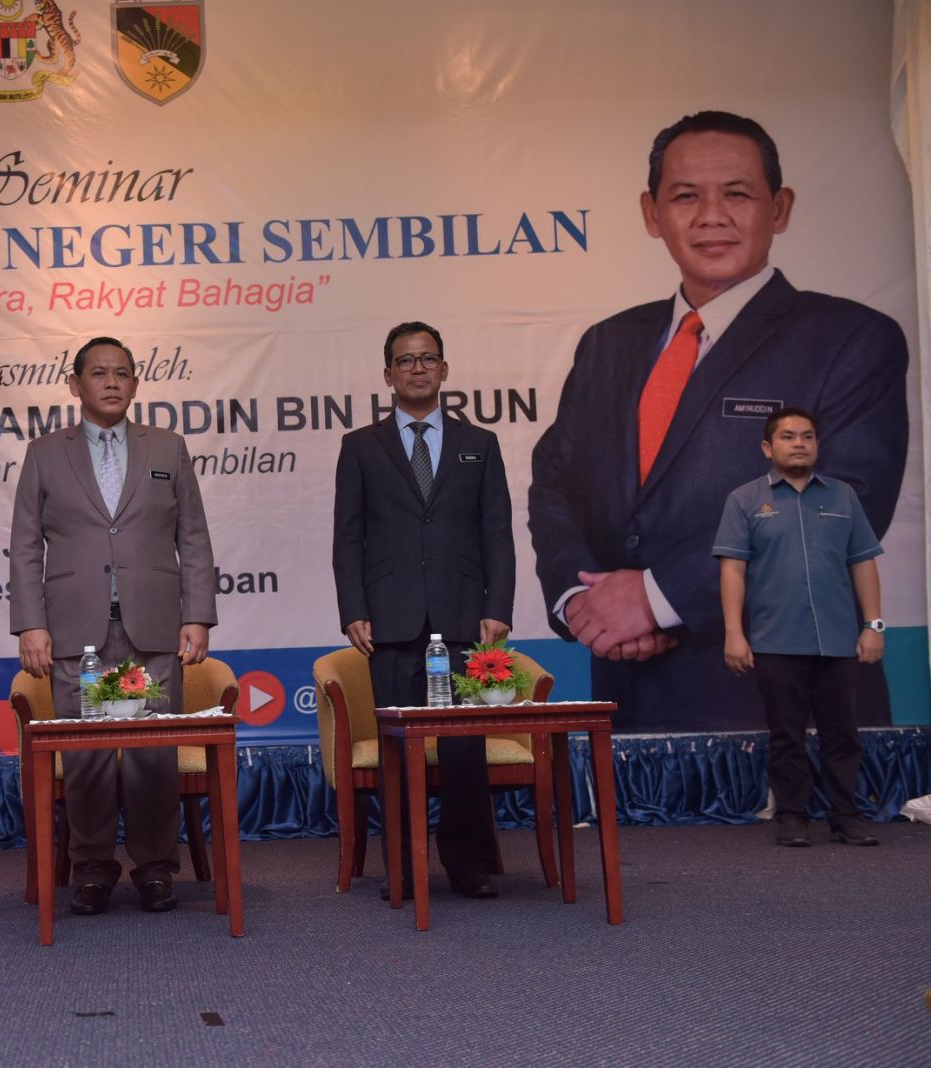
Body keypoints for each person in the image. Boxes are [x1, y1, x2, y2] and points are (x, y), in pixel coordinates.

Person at [528, 110, 908, 731]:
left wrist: (656, 598)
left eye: (737, 193)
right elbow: (554, 484)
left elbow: (839, 510)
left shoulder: (851, 339)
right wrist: (581, 601)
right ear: (652, 214)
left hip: (785, 706)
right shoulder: (608, 342)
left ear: (779, 208)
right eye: (685, 196)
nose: (711, 216)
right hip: (630, 698)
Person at [8, 336, 218, 916]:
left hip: (154, 623)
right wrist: (30, 624)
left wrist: (197, 613)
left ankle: (155, 869)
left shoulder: (168, 447)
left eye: (122, 373)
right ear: (74, 384)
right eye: (98, 373)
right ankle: (93, 870)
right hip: (73, 626)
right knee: (87, 757)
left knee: (154, 756)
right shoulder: (44, 453)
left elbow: (193, 537)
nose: (111, 382)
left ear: (135, 384)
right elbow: (24, 546)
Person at [332, 322, 514, 900]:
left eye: (428, 358)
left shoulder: (479, 443)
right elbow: (348, 538)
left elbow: (497, 533)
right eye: (406, 360)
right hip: (389, 619)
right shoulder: (361, 446)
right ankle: (404, 866)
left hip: (463, 616)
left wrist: (498, 607)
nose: (417, 368)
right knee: (397, 750)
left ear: (444, 370)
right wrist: (354, 608)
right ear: (388, 374)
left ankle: (470, 864)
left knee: (464, 749)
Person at [714, 408, 884, 848]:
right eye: (788, 437)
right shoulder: (745, 499)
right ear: (767, 448)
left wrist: (874, 625)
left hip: (838, 639)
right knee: (786, 735)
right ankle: (792, 816)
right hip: (775, 639)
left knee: (842, 735)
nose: (799, 444)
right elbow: (733, 569)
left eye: (807, 436)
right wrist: (734, 632)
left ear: (817, 445)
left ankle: (846, 816)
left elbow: (863, 562)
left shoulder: (843, 496)